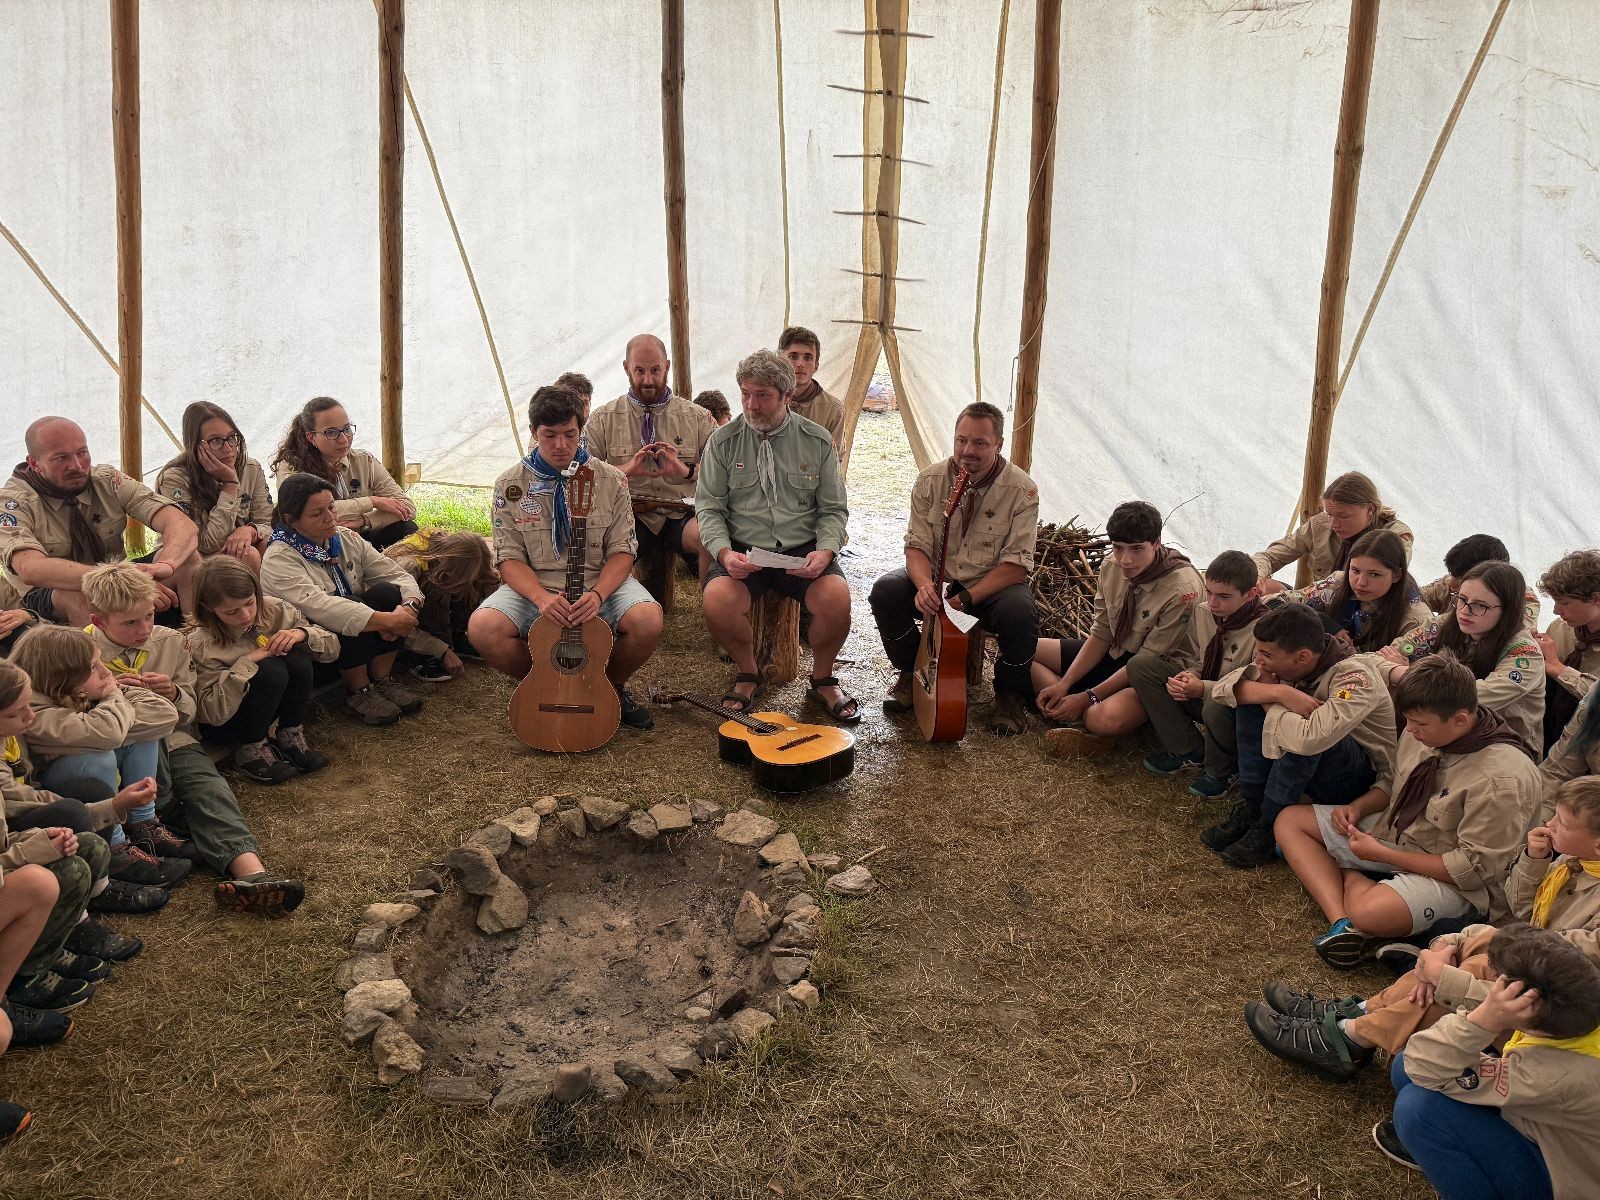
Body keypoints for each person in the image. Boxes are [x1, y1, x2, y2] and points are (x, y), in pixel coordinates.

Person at [1243, 775, 1600, 1082]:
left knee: (1470, 967)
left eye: (1563, 823)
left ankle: (1350, 1036)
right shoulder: (1574, 860)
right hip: (1534, 973)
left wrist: (1445, 973)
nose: (1550, 823)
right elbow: (1522, 911)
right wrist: (1535, 861)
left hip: (1560, 1009)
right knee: (1460, 954)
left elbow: (1553, 954)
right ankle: (1357, 1016)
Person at [1273, 652, 1539, 966]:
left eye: (1419, 723)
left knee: (1370, 912)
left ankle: (1347, 873)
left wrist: (1381, 855)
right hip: (1399, 835)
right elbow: (1393, 784)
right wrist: (1356, 808)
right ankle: (1343, 924)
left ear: (1460, 719)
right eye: (1408, 720)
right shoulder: (1427, 730)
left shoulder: (1501, 780)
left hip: (1460, 885)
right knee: (1290, 822)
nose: (1410, 730)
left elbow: (1473, 870)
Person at [80, 564, 305, 915]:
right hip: (116, 749)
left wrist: (173, 693)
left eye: (149, 616)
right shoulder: (80, 653)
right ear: (99, 620)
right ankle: (162, 833)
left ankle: (252, 876)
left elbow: (191, 713)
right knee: (167, 798)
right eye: (130, 623)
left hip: (173, 739)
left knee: (208, 789)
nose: (144, 629)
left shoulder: (169, 642)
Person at [466, 385, 662, 730]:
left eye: (570, 434)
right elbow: (509, 558)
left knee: (648, 620)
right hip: (536, 586)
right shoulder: (510, 484)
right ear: (533, 432)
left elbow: (622, 551)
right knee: (483, 629)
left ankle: (608, 687)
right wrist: (540, 597)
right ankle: (546, 682)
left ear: (580, 430)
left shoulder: (611, 479)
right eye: (550, 435)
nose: (561, 445)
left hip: (599, 582)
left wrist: (598, 594)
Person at [1386, 926, 1600, 1200]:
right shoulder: (1571, 1016)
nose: (1492, 984)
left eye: (1497, 980)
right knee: (1405, 1068)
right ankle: (1453, 1149)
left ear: (1524, 1002)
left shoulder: (1551, 1077)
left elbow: (1424, 1064)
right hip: (1548, 1127)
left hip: (1566, 1177)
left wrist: (1487, 1018)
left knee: (1418, 1110)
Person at [696, 350, 853, 721]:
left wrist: (825, 552)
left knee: (836, 600)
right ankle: (748, 673)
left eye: (762, 395)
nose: (751, 405)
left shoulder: (816, 441)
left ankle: (823, 678)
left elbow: (833, 510)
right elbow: (709, 509)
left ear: (787, 396)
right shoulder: (722, 442)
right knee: (717, 600)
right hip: (743, 551)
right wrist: (724, 554)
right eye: (745, 394)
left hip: (802, 551)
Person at [869, 402, 1039, 736]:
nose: (967, 450)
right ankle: (911, 672)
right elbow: (916, 546)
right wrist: (923, 585)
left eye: (980, 443)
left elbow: (1016, 566)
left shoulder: (1022, 490)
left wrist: (967, 598)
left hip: (990, 586)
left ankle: (1009, 695)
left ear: (998, 445)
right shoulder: (930, 480)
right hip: (939, 578)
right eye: (962, 440)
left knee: (1021, 613)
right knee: (885, 591)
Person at [1203, 603, 1397, 869]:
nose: (1258, 660)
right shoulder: (1286, 659)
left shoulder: (1354, 676)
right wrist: (1279, 693)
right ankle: (1254, 808)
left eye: (1265, 654)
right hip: (1312, 767)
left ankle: (1270, 822)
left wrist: (1269, 699)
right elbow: (1223, 690)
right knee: (1254, 701)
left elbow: (1311, 739)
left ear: (1302, 657)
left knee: (1307, 732)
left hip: (1360, 779)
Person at [9, 624, 189, 896]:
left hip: (81, 790)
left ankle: (143, 824)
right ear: (62, 677)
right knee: (98, 755)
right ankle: (114, 846)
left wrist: (109, 707)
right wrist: (115, 694)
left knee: (140, 738)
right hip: (47, 799)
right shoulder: (33, 712)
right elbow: (109, 733)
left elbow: (164, 714)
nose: (106, 673)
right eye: (94, 667)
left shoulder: (75, 691)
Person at [1034, 500, 1203, 758]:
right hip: (1117, 654)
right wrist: (1065, 684)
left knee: (1103, 719)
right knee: (1027, 652)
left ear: (1156, 543)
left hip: (1155, 675)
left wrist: (1087, 698)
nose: (1126, 559)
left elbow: (1145, 662)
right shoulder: (1111, 566)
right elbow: (1102, 633)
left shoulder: (1182, 589)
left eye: (1137, 549)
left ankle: (1087, 715)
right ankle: (1070, 707)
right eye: (1118, 547)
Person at [260, 472, 427, 726]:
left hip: (354, 638)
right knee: (349, 606)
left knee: (388, 592)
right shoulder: (280, 558)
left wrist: (409, 608)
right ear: (291, 520)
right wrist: (388, 621)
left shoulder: (345, 538)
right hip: (314, 648)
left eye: (331, 507)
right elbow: (322, 608)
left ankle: (382, 679)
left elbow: (395, 574)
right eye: (317, 514)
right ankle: (358, 691)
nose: (330, 518)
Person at [0, 417, 200, 626]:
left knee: (187, 559)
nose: (77, 465)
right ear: (34, 463)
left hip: (118, 575)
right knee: (84, 596)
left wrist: (165, 565)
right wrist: (120, 581)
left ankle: (195, 636)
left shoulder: (106, 481)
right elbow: (31, 568)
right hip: (48, 595)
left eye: (82, 453)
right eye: (61, 458)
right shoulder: (12, 503)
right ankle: (96, 649)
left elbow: (181, 525)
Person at [187, 555, 335, 782]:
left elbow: (333, 650)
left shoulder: (275, 609)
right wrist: (247, 662)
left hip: (269, 709)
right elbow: (211, 713)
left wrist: (302, 634)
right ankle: (250, 748)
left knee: (296, 657)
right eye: (231, 612)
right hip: (229, 722)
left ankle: (290, 733)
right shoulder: (202, 644)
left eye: (249, 603)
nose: (246, 615)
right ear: (209, 608)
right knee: (269, 668)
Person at [1127, 550, 1264, 795]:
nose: (1212, 602)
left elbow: (1255, 686)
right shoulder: (1203, 613)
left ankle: (1223, 770)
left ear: (1250, 594)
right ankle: (1188, 750)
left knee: (1216, 701)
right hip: (1205, 694)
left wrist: (1203, 688)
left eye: (1224, 596)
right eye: (1209, 592)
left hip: (1237, 711)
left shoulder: (1263, 630)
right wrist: (1190, 676)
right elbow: (1198, 658)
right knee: (1141, 666)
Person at [1375, 561, 1545, 754]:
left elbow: (1468, 699)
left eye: (1480, 605)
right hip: (1442, 730)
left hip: (1502, 747)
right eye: (1462, 599)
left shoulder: (1525, 654)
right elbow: (1379, 657)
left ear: (1507, 610)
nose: (1464, 610)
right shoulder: (1448, 623)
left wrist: (1406, 674)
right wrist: (1395, 669)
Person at [584, 334, 713, 581]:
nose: (648, 380)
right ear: (626, 368)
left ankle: (712, 601)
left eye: (655, 370)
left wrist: (685, 470)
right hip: (628, 516)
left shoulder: (698, 418)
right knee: (601, 550)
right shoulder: (603, 419)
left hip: (680, 515)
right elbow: (582, 475)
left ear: (667, 366)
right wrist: (624, 470)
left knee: (710, 538)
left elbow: (725, 471)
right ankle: (618, 601)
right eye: (639, 371)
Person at [270, 397, 417, 550]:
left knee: (406, 528)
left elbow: (407, 507)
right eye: (331, 432)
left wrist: (364, 521)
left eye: (347, 429)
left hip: (361, 536)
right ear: (311, 437)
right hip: (319, 543)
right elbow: (304, 512)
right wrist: (371, 502)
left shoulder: (364, 461)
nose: (343, 439)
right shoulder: (292, 468)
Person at [155, 401, 274, 573]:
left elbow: (268, 524)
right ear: (195, 445)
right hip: (189, 562)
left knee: (270, 545)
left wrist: (250, 530)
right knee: (248, 555)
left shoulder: (250, 468)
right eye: (215, 441)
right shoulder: (175, 479)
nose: (228, 449)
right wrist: (230, 484)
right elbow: (208, 545)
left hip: (232, 552)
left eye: (232, 437)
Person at [1252, 470, 1413, 593]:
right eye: (1329, 514)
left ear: (1370, 509)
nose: (1333, 523)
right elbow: (1270, 557)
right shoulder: (1319, 526)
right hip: (1317, 604)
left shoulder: (1395, 536)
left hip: (1366, 613)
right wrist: (1257, 576)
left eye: (1343, 516)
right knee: (1256, 588)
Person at [1275, 529, 1429, 652]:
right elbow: (1276, 602)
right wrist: (1324, 623)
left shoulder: (1416, 620)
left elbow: (1416, 674)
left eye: (1374, 574)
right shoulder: (1337, 583)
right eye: (1355, 570)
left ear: (1396, 575)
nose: (1361, 582)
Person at [382, 529, 495, 681]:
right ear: (447, 565)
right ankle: (420, 655)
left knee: (472, 582)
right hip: (388, 626)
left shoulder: (448, 556)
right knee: (435, 587)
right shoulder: (408, 567)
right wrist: (439, 649)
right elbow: (392, 621)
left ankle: (456, 637)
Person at [1534, 549, 1600, 753]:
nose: (1556, 610)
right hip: (1547, 737)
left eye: (1564, 603)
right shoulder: (1559, 629)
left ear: (1596, 599)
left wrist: (1559, 670)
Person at [778, 326, 846, 446]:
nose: (800, 364)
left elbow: (835, 455)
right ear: (779, 360)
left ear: (816, 365)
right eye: (793, 356)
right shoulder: (764, 399)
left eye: (808, 358)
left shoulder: (832, 409)